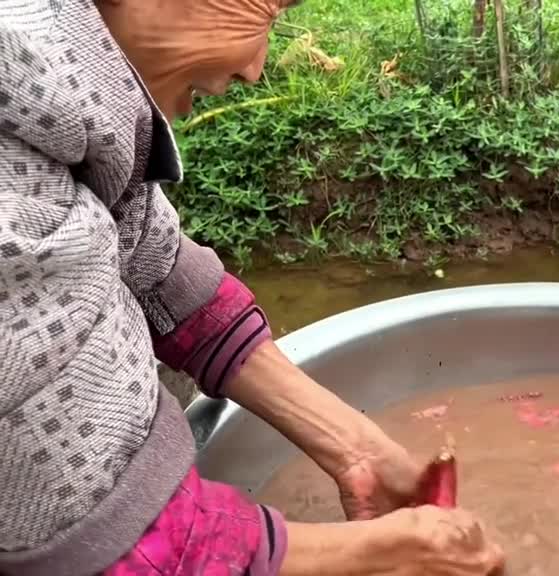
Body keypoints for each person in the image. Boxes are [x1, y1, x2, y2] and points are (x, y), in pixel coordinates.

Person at [0, 1, 505, 575]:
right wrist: (403, 548)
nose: (256, 70)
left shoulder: (61, 101)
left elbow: (154, 266)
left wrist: (357, 448)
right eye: (263, 8)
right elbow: (118, 548)